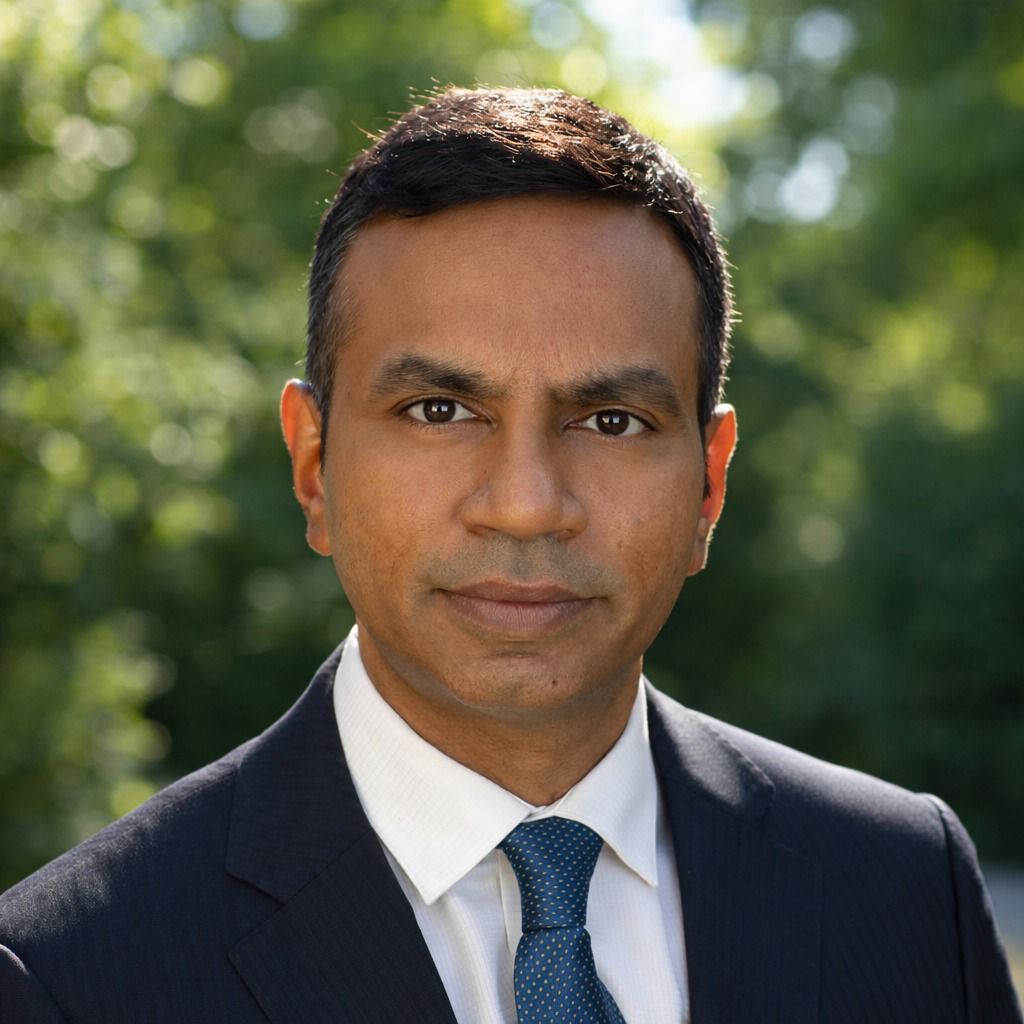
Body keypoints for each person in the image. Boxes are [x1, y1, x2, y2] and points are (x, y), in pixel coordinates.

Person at [0, 86, 1019, 1024]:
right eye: (439, 410)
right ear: (313, 465)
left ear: (708, 484)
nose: (527, 507)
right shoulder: (66, 976)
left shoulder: (906, 891)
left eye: (611, 421)